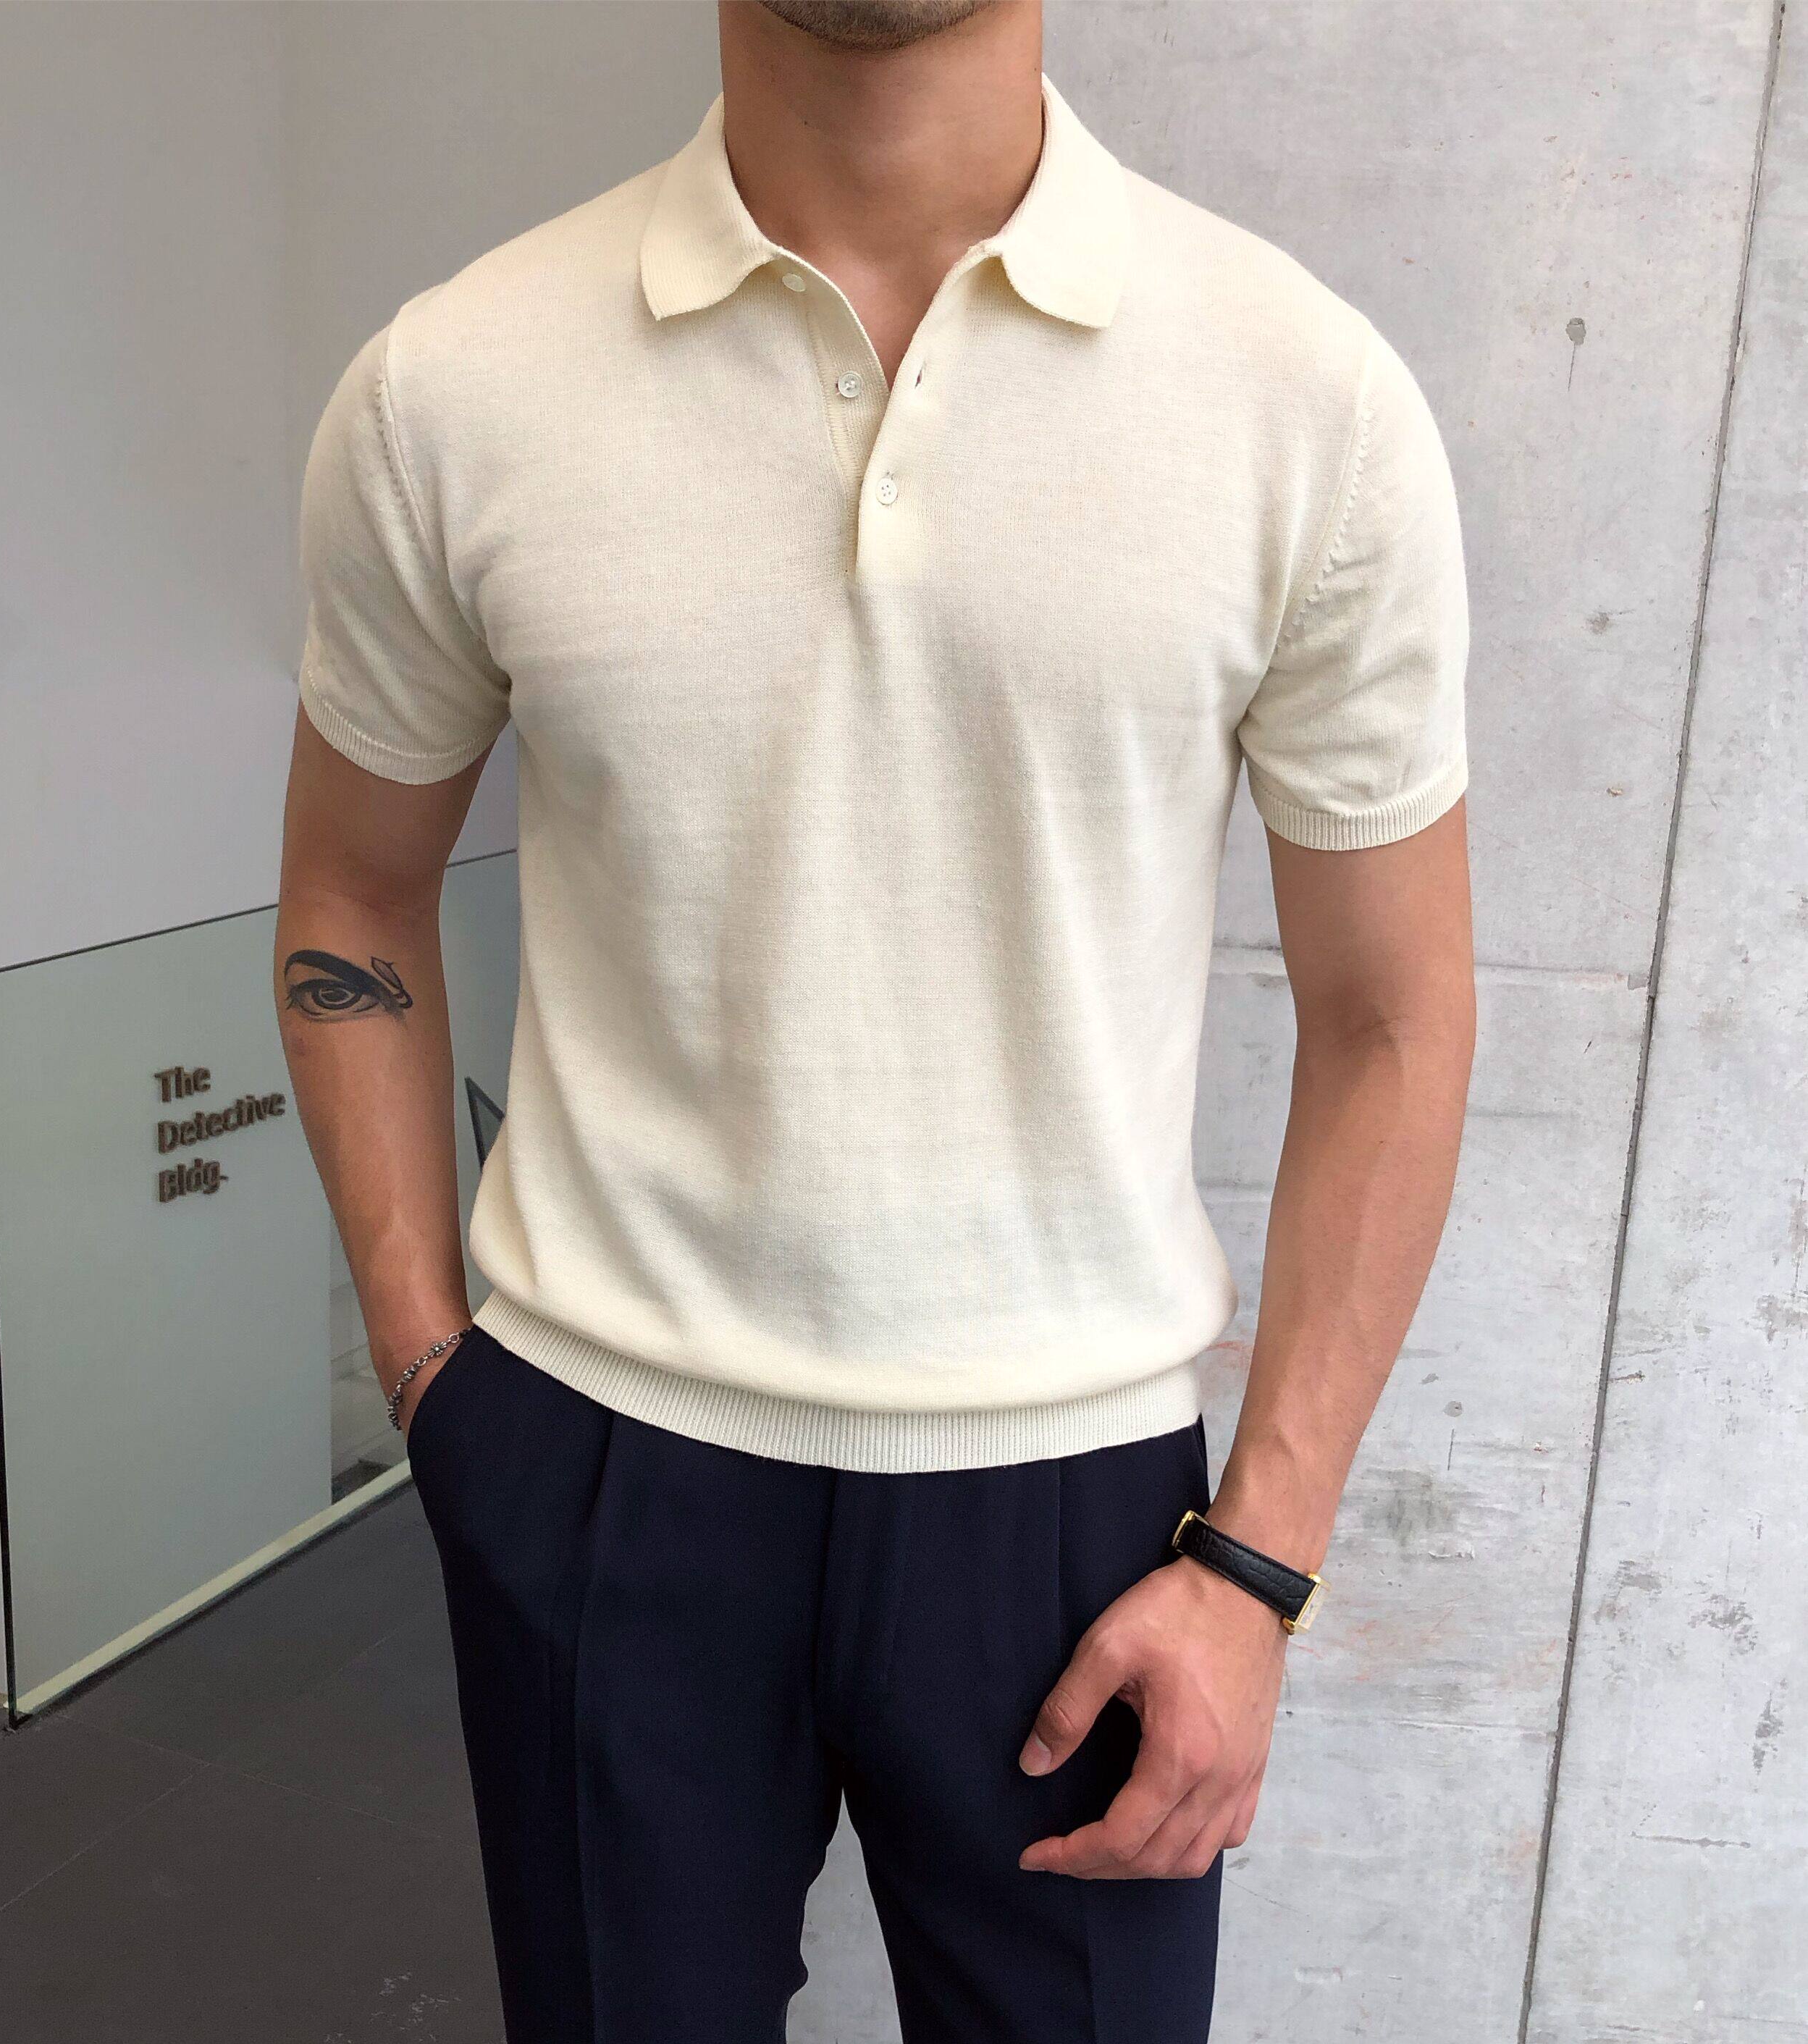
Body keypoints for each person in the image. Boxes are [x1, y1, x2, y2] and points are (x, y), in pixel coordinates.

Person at [272, 0, 1475, 2036]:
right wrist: (432, 1379)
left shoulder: (1304, 401)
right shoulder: (453, 388)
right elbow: (351, 898)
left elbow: (1398, 1015)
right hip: (599, 1460)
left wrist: (1260, 1559)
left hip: (1082, 1511)